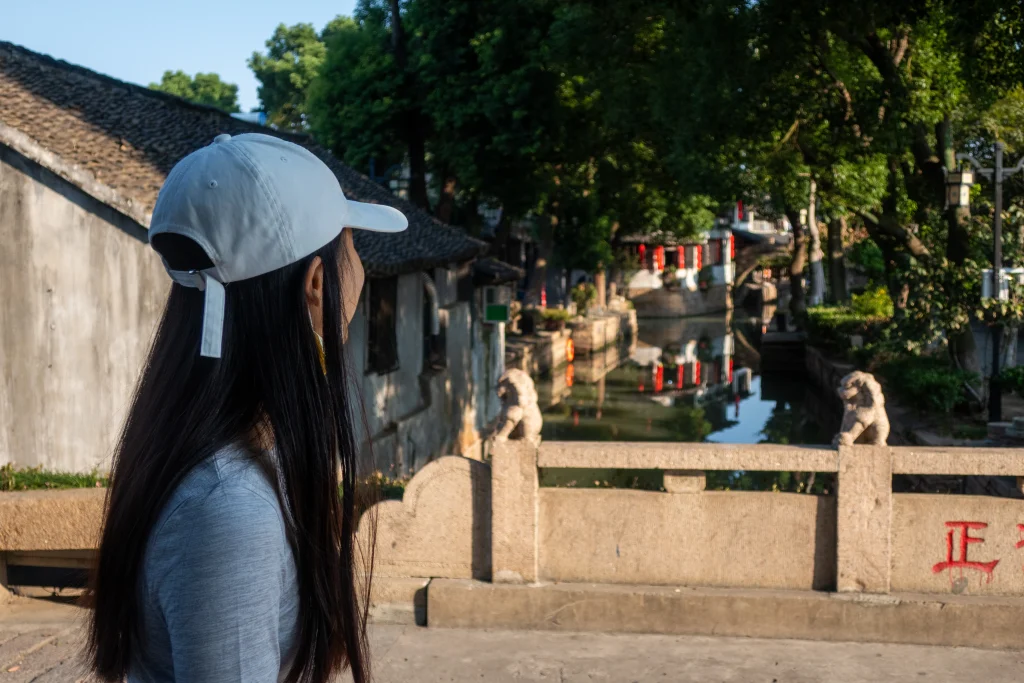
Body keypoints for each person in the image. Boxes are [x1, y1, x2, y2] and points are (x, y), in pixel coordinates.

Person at [86, 133, 407, 683]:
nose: (361, 269)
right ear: (316, 283)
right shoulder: (228, 512)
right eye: (351, 244)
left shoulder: (228, 456)